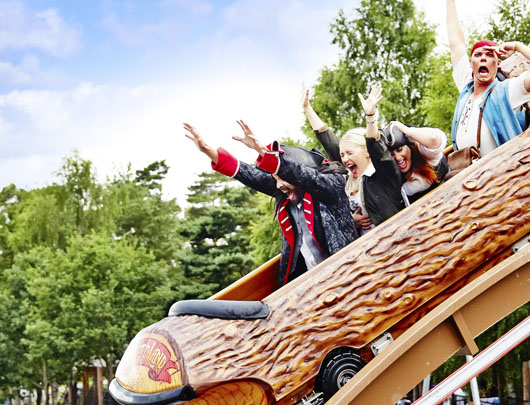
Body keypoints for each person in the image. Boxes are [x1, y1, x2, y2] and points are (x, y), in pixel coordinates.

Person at [184, 119, 357, 286]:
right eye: (275, 179)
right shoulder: (284, 190)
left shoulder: (330, 185)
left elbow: (301, 174)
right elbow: (248, 173)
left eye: (283, 178)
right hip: (313, 281)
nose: (279, 184)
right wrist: (207, 150)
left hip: (347, 271)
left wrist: (261, 149)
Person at [444, 0, 530, 157]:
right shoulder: (466, 85)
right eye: (478, 56)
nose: (483, 59)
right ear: (471, 64)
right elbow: (456, 43)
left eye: (489, 55)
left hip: (502, 175)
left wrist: (518, 46)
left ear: (497, 63)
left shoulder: (508, 90)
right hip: (469, 177)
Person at [302, 86, 405, 228]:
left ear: (367, 152)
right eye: (343, 155)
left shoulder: (383, 173)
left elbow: (376, 147)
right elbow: (328, 141)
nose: (344, 159)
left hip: (394, 236)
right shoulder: (348, 176)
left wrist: (370, 117)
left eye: (350, 153)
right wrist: (307, 108)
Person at [383, 120, 448, 202]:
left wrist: (407, 130)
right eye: (392, 154)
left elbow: (434, 138)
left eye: (400, 150)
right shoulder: (391, 173)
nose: (398, 157)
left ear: (409, 146)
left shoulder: (425, 154)